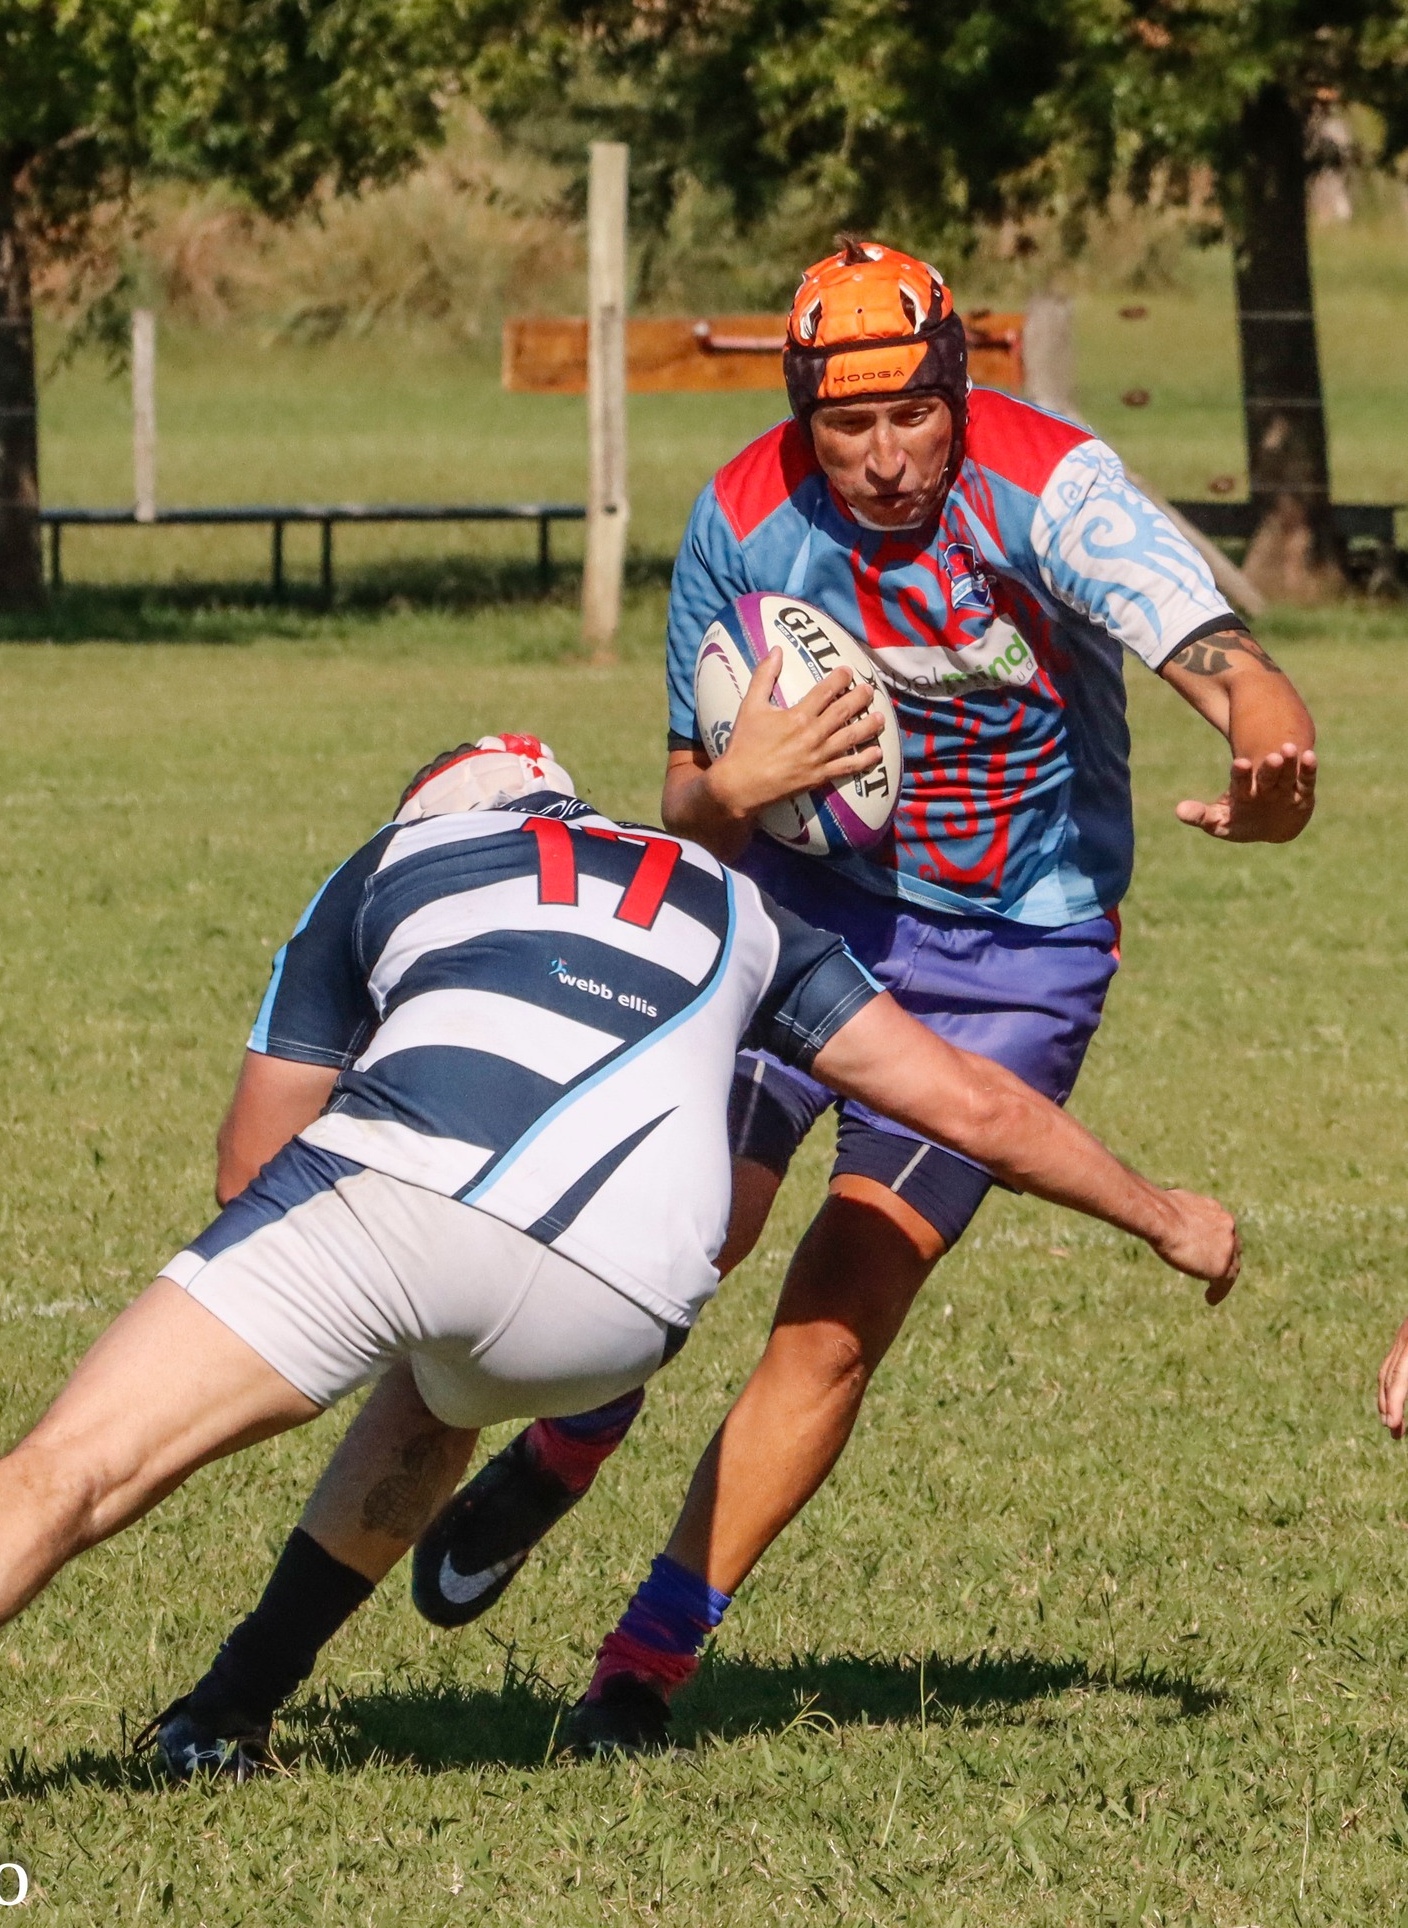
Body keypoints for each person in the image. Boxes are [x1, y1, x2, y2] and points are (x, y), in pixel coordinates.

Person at [0, 735, 1238, 1825]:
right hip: (628, 1311)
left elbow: (252, 1166)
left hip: (400, 1201)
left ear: (433, 815)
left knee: (73, 1463)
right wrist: (1162, 1213)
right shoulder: (740, 901)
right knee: (443, 1383)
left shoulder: (386, 868)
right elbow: (961, 1103)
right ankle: (229, 1710)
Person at [410, 237, 1317, 1756]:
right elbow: (684, 812)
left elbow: (1206, 643)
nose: (888, 459)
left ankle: (643, 1668)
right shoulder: (744, 521)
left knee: (836, 1315)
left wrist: (1265, 722)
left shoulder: (1050, 486)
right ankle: (565, 1449)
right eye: (850, 425)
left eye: (914, 416)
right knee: (691, 1223)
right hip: (795, 912)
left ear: (960, 391)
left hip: (1014, 959)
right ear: (801, 417)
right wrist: (733, 791)